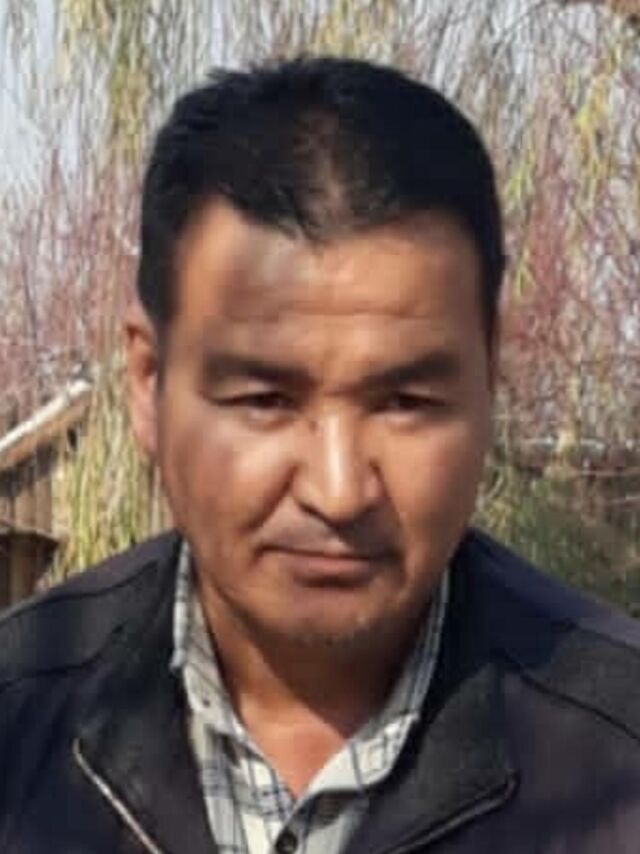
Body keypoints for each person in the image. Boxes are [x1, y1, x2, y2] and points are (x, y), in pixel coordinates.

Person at [1, 57, 639, 854]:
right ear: (148, 382)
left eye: (406, 403)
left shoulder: (616, 763)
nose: (339, 492)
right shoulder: (18, 726)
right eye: (265, 401)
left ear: (489, 377)